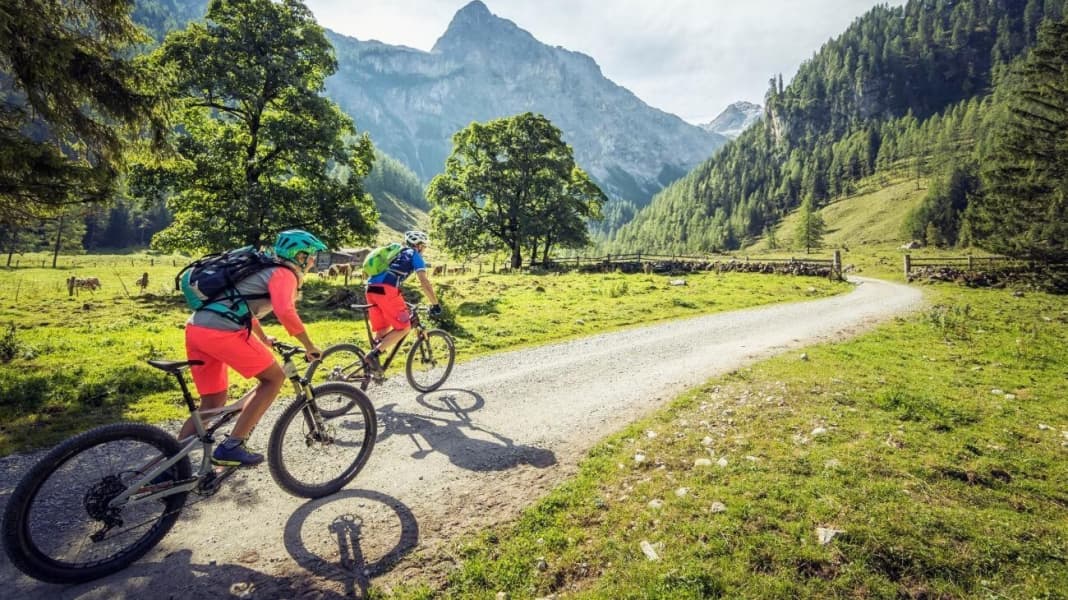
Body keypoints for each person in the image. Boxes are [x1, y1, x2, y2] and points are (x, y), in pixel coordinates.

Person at [180, 229, 327, 466]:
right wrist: (309, 345)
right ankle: (233, 445)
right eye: (311, 256)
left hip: (197, 329)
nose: (313, 261)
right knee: (274, 378)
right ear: (299, 255)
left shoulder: (262, 269)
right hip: (221, 332)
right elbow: (285, 311)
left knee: (213, 401)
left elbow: (241, 306)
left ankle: (173, 461)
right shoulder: (284, 274)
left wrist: (263, 337)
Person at [362, 230, 441, 374]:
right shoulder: (414, 255)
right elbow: (424, 281)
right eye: (424, 246)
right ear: (419, 246)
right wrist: (435, 304)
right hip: (387, 290)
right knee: (404, 327)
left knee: (382, 331)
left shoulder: (396, 252)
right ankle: (373, 356)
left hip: (370, 289)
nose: (424, 249)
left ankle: (370, 371)